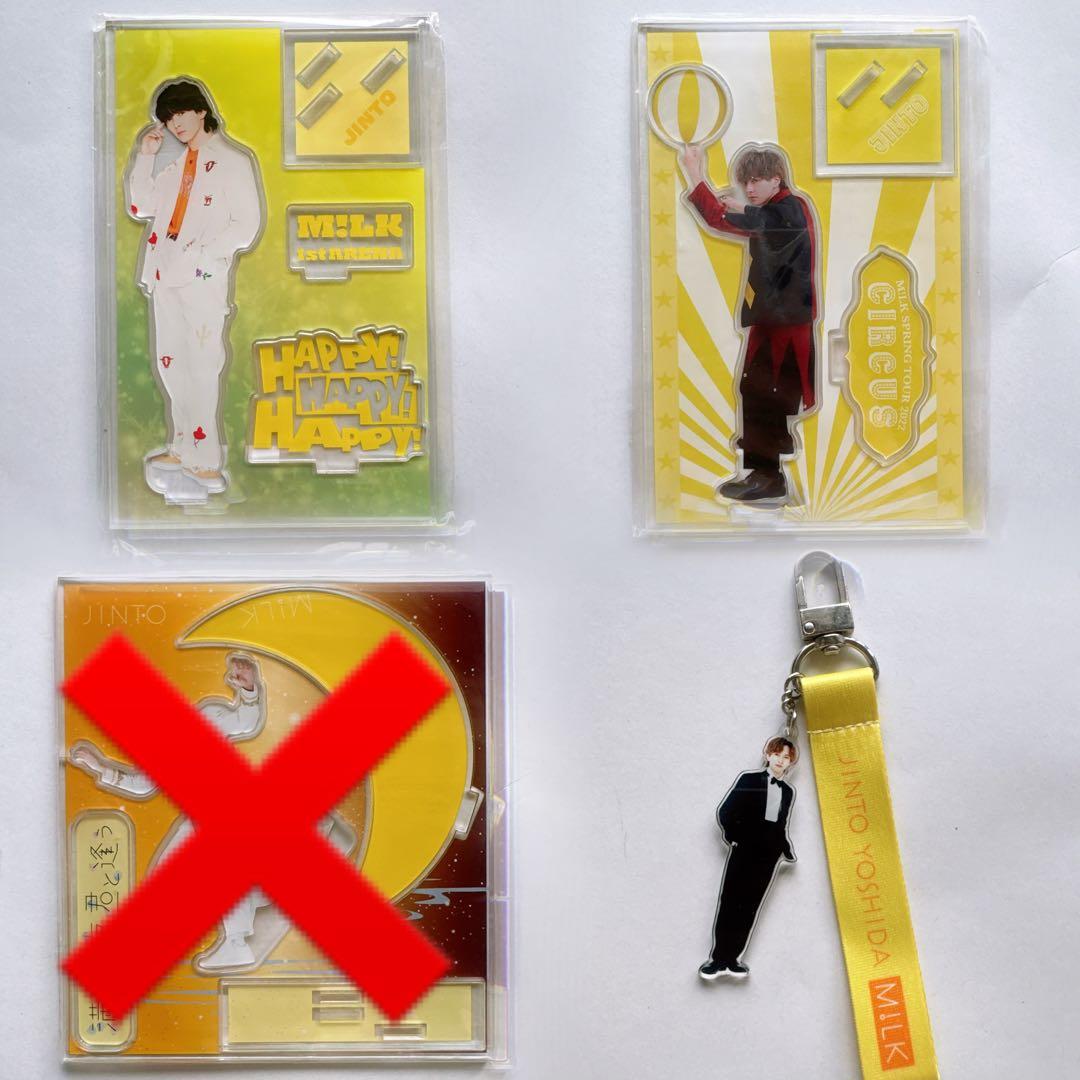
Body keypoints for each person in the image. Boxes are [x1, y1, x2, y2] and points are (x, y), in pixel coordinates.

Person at [125, 79, 263, 498]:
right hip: (163, 273)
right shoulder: (176, 166)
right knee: (171, 363)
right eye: (169, 119)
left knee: (202, 364)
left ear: (201, 110)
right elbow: (141, 205)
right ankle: (183, 446)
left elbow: (246, 225)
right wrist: (146, 156)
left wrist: (202, 256)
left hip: (201, 279)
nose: (175, 124)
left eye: (181, 113)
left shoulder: (233, 161)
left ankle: (205, 459)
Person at [679, 143, 817, 504]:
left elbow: (775, 223)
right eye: (746, 182)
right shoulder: (767, 213)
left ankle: (768, 477)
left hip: (787, 325)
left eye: (757, 180)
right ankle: (763, 473)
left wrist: (744, 208)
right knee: (756, 392)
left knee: (767, 393)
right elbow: (718, 218)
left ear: (777, 179)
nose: (750, 188)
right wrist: (695, 172)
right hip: (770, 321)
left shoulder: (791, 208)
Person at [699, 736, 797, 980]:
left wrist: (783, 849)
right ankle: (717, 959)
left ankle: (733, 959)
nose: (780, 760)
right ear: (768, 755)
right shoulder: (749, 780)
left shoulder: (787, 791)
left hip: (768, 856)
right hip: (744, 848)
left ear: (790, 763)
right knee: (730, 902)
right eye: (777, 754)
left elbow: (781, 824)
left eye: (786, 757)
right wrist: (733, 837)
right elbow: (725, 811)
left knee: (750, 907)